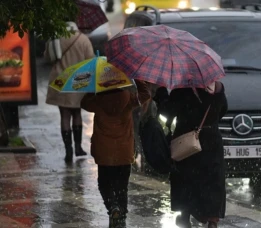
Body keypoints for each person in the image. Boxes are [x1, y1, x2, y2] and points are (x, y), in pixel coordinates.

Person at [157, 81, 228, 228]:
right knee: (212, 179)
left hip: (187, 139)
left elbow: (168, 111)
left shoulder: (183, 89)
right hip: (212, 141)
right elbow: (223, 110)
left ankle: (185, 215)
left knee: (187, 178)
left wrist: (161, 93)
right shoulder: (218, 88)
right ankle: (212, 219)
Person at [81, 81, 151, 228]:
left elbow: (84, 103)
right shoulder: (129, 99)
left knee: (104, 184)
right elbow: (146, 95)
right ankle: (121, 214)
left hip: (105, 152)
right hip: (124, 151)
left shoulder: (97, 100)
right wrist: (137, 79)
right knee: (122, 186)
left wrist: (92, 88)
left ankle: (113, 207)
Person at [44, 21, 94, 163]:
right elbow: (90, 60)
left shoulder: (55, 38)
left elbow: (47, 58)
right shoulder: (83, 39)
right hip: (78, 81)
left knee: (64, 116)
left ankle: (68, 150)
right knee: (77, 113)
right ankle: (78, 147)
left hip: (60, 81)